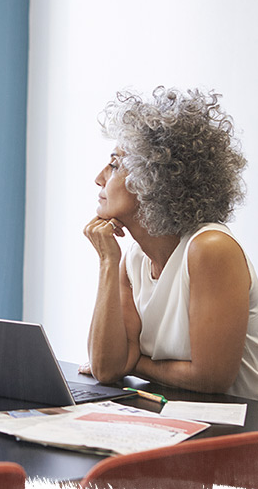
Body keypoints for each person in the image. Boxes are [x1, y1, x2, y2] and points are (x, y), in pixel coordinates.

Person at [82, 86, 258, 399]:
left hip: (240, 432)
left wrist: (134, 363)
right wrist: (108, 261)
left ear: (154, 176)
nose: (99, 178)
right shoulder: (133, 259)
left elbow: (211, 378)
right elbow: (107, 368)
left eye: (114, 163)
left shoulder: (211, 249)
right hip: (177, 418)